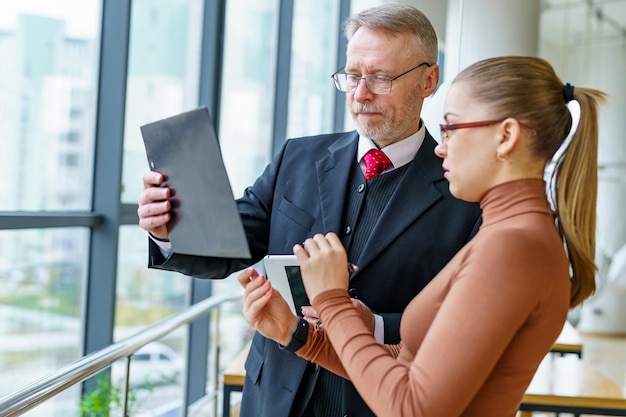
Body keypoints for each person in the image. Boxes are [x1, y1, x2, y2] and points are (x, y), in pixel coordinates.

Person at [137, 4, 481, 417]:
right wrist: (169, 230)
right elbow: (229, 244)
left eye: (381, 78)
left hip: (378, 402)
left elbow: (463, 320)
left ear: (429, 80)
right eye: (352, 76)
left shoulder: (464, 188)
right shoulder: (297, 157)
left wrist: (373, 324)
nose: (360, 94)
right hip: (276, 397)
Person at [238, 55, 606, 417]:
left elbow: (413, 406)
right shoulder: (507, 234)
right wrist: (296, 334)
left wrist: (332, 300)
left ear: (506, 136)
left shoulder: (514, 246)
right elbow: (407, 365)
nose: (440, 146)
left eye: (451, 128)